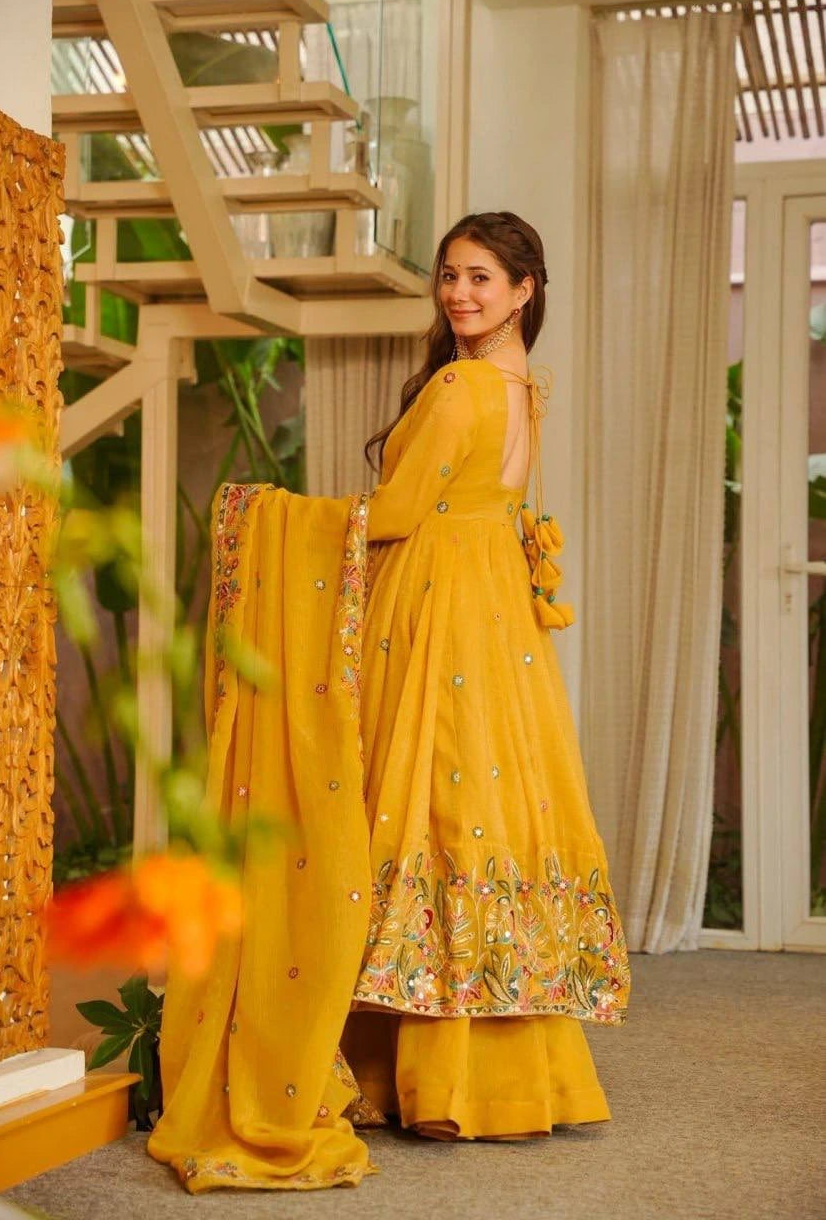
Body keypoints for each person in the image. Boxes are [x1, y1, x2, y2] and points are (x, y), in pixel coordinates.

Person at [147, 211, 630, 1194]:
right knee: (474, 811)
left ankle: (410, 1068)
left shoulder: (459, 385)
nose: (459, 294)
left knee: (404, 803)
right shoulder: (520, 385)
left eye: (482, 279)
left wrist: (266, 515)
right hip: (494, 616)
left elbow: (400, 513)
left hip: (434, 607)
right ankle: (485, 1075)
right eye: (450, 276)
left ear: (525, 290)